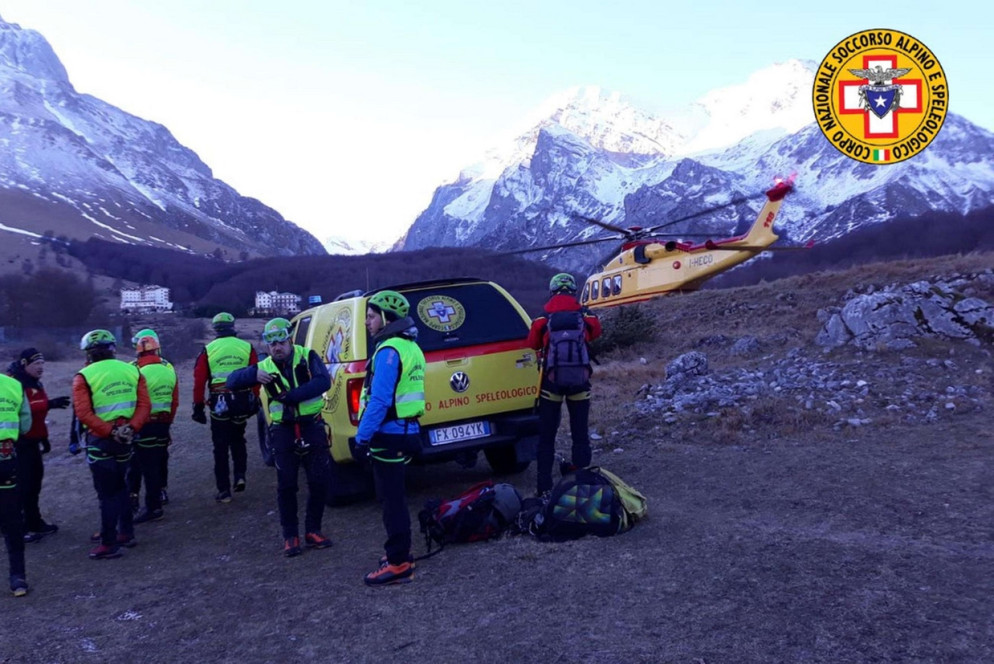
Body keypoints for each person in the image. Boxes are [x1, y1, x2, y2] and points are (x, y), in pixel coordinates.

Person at [226, 317, 333, 557]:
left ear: (289, 340)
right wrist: (253, 377)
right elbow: (231, 381)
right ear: (266, 346)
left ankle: (313, 531)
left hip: (311, 426)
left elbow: (323, 381)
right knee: (286, 485)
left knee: (319, 480)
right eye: (272, 344)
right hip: (283, 430)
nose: (277, 348)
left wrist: (291, 396)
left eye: (281, 342)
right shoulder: (264, 367)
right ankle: (290, 536)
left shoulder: (307, 356)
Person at [353, 290, 425, 586]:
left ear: (386, 318)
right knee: (395, 496)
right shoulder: (411, 346)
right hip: (407, 431)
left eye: (371, 316)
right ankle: (400, 552)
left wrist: (360, 439)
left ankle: (398, 563)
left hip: (389, 435)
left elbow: (380, 401)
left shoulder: (388, 350)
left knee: (391, 500)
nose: (367, 322)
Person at [73, 329, 150, 559]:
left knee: (107, 493)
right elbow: (145, 406)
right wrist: (131, 428)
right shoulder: (132, 371)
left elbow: (83, 413)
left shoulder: (83, 376)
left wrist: (110, 431)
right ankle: (126, 533)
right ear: (112, 349)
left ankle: (109, 543)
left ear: (89, 353)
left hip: (101, 440)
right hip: (126, 438)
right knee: (122, 487)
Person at [527, 273, 602, 497]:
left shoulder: (542, 318)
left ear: (552, 291)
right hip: (579, 381)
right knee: (580, 434)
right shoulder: (585, 315)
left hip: (551, 383)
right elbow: (596, 332)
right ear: (573, 291)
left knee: (547, 436)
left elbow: (531, 343)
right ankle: (582, 483)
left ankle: (544, 487)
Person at [192, 313, 259, 503]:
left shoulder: (208, 349)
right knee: (238, 439)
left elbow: (199, 381)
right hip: (241, 401)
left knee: (220, 447)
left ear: (215, 329)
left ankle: (224, 491)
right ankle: (240, 476)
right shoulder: (247, 347)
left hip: (219, 402)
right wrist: (254, 399)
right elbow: (256, 374)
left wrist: (198, 407)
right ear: (232, 326)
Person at [6, 349, 70, 543]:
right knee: (22, 486)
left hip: (33, 440)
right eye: (36, 364)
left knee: (34, 484)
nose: (41, 367)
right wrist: (49, 404)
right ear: (25, 364)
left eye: (42, 363)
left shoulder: (35, 382)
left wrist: (43, 437)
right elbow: (23, 408)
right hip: (18, 442)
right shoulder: (15, 382)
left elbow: (37, 415)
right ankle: (19, 526)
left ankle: (34, 522)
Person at [129, 330, 178, 524]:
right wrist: (169, 424)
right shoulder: (168, 370)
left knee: (144, 466)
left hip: (144, 426)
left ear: (139, 352)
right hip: (163, 424)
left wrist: (132, 426)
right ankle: (157, 498)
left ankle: (152, 507)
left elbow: (134, 402)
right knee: (158, 463)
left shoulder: (136, 372)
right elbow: (174, 401)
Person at [1, 371, 32, 596]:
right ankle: (18, 578)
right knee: (12, 521)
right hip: (6, 460)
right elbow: (25, 426)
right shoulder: (13, 385)